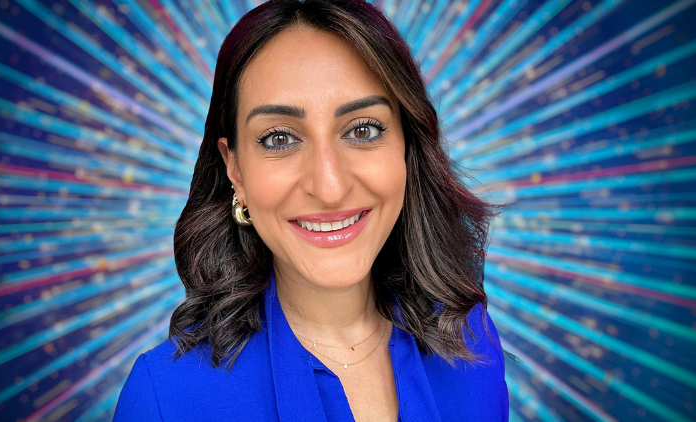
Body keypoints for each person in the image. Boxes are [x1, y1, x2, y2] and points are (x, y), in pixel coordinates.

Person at [113, 0, 509, 420]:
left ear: (407, 147)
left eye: (363, 130)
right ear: (235, 169)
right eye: (279, 139)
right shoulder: (166, 398)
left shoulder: (472, 341)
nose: (330, 188)